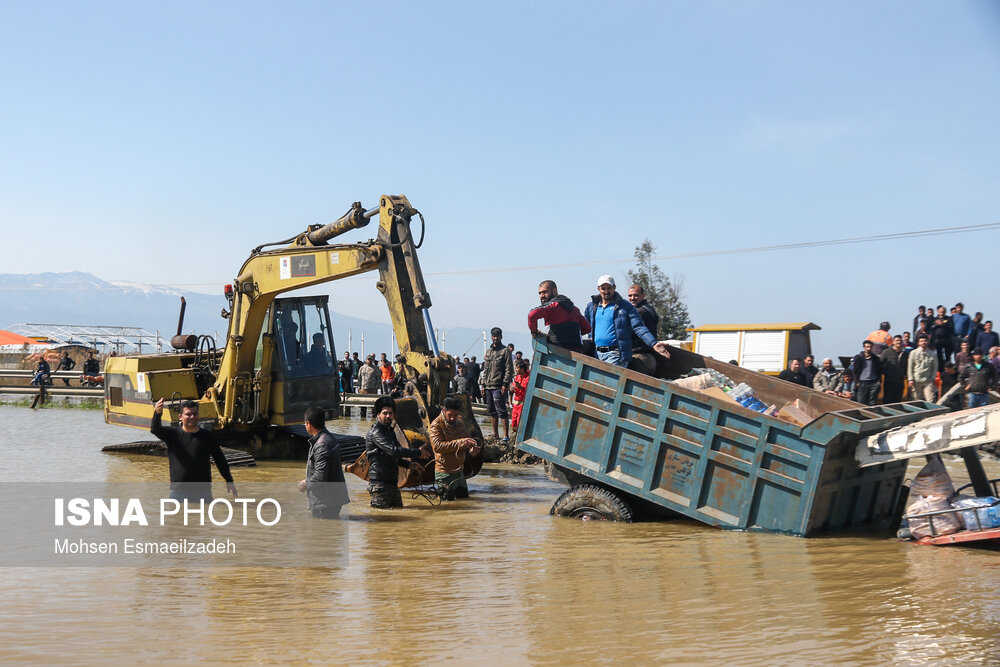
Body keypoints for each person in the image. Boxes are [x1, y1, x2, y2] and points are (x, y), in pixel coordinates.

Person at [151, 398, 237, 502]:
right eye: (188, 414)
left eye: (195, 413)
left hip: (203, 492)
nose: (192, 417)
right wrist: (157, 413)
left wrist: (229, 479)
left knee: (203, 518)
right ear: (180, 417)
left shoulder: (207, 436)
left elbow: (219, 459)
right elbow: (155, 429)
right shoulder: (173, 435)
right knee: (177, 518)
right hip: (179, 493)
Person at [583, 275, 670, 368]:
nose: (606, 291)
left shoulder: (625, 306)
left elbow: (638, 326)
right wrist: (591, 335)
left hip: (615, 354)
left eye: (609, 288)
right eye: (603, 288)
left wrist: (653, 343)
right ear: (598, 289)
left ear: (614, 288)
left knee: (611, 382)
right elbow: (586, 323)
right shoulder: (592, 306)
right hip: (597, 353)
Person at [364, 396, 425, 508]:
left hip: (392, 483)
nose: (388, 416)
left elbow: (394, 457)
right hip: (380, 485)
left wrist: (409, 464)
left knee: (398, 516)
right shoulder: (376, 432)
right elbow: (393, 451)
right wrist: (417, 453)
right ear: (378, 414)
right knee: (381, 520)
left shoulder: (389, 431)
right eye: (385, 413)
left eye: (391, 413)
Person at [297, 406, 349, 519]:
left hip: (325, 502)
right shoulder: (327, 438)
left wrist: (305, 483)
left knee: (321, 534)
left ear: (308, 424)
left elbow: (321, 476)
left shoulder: (322, 444)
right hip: (330, 499)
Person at [428, 396, 481, 500]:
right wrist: (462, 442)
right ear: (444, 410)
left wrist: (471, 448)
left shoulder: (459, 421)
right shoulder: (436, 425)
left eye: (456, 415)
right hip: (444, 472)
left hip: (459, 471)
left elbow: (466, 438)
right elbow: (438, 446)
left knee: (464, 500)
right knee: (448, 506)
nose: (453, 418)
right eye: (450, 415)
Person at [528, 280, 591, 352]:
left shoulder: (552, 306)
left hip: (558, 353)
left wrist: (534, 332)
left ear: (554, 291)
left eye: (545, 292)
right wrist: (571, 335)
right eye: (540, 293)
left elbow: (532, 315)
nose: (542, 296)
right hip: (577, 352)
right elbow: (587, 328)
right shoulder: (574, 309)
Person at [480, 327, 514, 442]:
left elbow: (509, 369)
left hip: (498, 386)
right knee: (491, 411)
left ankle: (506, 435)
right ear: (491, 337)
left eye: (497, 336)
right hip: (488, 386)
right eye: (493, 336)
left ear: (501, 337)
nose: (495, 338)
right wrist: (483, 385)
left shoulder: (505, 351)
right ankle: (495, 434)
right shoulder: (489, 352)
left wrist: (505, 384)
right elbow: (485, 370)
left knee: (502, 411)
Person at [626, 283, 663, 375]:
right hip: (649, 358)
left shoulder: (639, 312)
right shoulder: (649, 309)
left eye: (636, 295)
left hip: (640, 358)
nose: (632, 298)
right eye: (630, 296)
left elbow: (627, 333)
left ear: (643, 296)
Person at [907, 334, 939, 402]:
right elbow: (910, 367)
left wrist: (933, 378)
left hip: (928, 380)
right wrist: (910, 379)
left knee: (931, 400)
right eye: (921, 341)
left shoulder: (932, 354)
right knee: (917, 401)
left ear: (928, 342)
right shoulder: (913, 353)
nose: (923, 342)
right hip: (916, 380)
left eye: (925, 341)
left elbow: (935, 367)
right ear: (919, 343)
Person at [852, 341, 883, 406]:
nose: (869, 348)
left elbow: (879, 370)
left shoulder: (875, 358)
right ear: (864, 348)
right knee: (861, 402)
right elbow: (855, 371)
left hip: (873, 382)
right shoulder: (858, 358)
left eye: (870, 347)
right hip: (862, 382)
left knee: (872, 402)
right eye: (867, 347)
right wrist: (857, 381)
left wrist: (879, 381)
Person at [879, 336, 908, 403]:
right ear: (893, 342)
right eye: (897, 340)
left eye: (900, 341)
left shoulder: (905, 354)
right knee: (887, 401)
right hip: (889, 381)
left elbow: (906, 366)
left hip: (900, 382)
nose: (899, 342)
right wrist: (885, 372)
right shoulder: (886, 352)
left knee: (897, 402)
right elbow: (880, 364)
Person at [510, 360, 530, 432]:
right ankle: (514, 435)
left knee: (519, 421)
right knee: (514, 421)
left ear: (522, 369)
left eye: (517, 368)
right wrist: (512, 388)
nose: (516, 370)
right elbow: (513, 386)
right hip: (516, 402)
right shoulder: (517, 377)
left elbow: (527, 391)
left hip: (522, 403)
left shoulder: (528, 378)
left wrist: (520, 387)